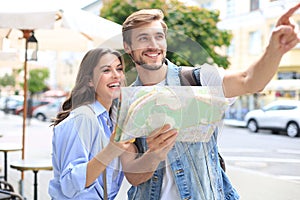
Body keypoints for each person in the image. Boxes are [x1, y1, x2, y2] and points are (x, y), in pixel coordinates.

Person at [119, 4, 300, 200]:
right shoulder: (126, 103)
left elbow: (250, 81)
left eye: (158, 36)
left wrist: (274, 50)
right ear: (128, 46)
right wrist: (154, 155)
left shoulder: (198, 80)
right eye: (143, 38)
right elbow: (133, 176)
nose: (153, 45)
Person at [48, 48, 132, 199]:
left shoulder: (110, 119)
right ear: (90, 81)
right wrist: (110, 151)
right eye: (106, 70)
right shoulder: (82, 119)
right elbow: (69, 184)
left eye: (119, 69)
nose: (116, 75)